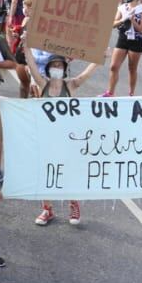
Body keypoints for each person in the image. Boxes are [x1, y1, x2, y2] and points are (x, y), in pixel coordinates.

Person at [34, 54, 97, 227]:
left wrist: (99, 58)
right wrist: (25, 46)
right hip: (46, 137)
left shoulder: (69, 86)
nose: (57, 68)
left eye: (59, 65)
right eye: (53, 65)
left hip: (67, 137)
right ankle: (47, 209)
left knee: (69, 172)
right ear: (48, 68)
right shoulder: (43, 84)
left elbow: (86, 74)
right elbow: (31, 66)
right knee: (47, 172)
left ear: (64, 68)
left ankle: (73, 204)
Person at [106, 0, 142, 96]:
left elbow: (141, 29)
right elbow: (113, 24)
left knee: (132, 68)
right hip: (123, 38)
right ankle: (110, 92)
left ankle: (131, 93)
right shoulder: (122, 7)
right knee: (113, 66)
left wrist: (132, 19)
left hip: (136, 41)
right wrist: (122, 19)